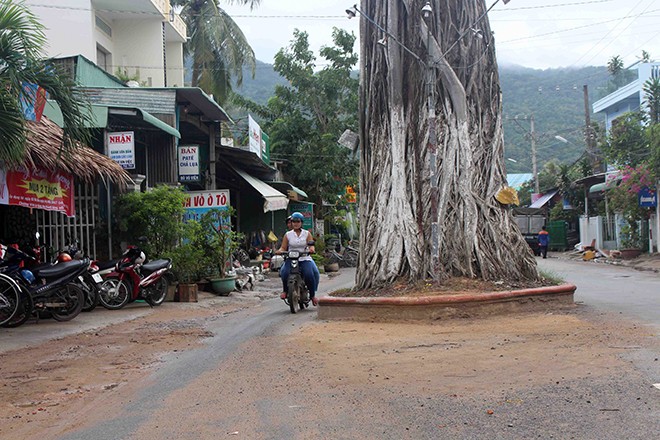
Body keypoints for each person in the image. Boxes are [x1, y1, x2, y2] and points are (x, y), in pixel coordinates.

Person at [276, 212, 320, 306]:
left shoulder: (307, 234)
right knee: (284, 272)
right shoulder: (288, 235)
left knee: (309, 274)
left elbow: (311, 245)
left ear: (301, 222)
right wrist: (279, 251)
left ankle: (312, 295)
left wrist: (311, 249)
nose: (295, 223)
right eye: (293, 221)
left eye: (298, 221)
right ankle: (285, 290)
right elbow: (283, 247)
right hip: (291, 258)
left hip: (304, 258)